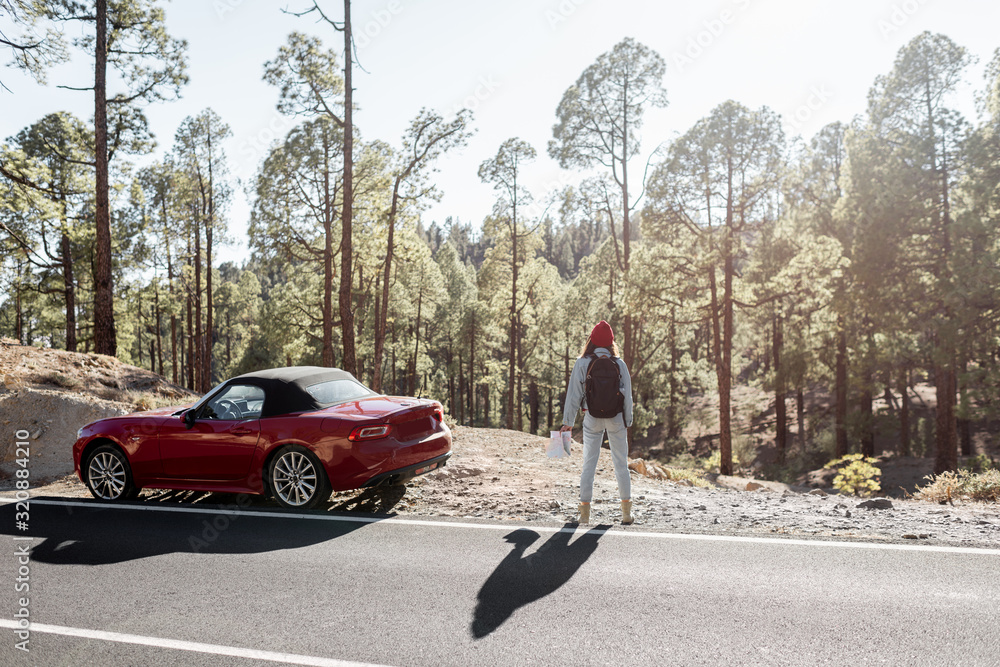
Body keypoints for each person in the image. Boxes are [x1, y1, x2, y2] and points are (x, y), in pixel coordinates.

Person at [560, 320, 633, 525]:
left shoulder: (583, 362)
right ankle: (626, 513)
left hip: (591, 418)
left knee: (588, 465)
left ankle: (584, 514)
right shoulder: (619, 364)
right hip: (616, 418)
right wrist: (627, 420)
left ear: (591, 340)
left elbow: (574, 394)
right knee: (621, 465)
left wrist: (568, 422)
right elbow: (627, 396)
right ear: (611, 342)